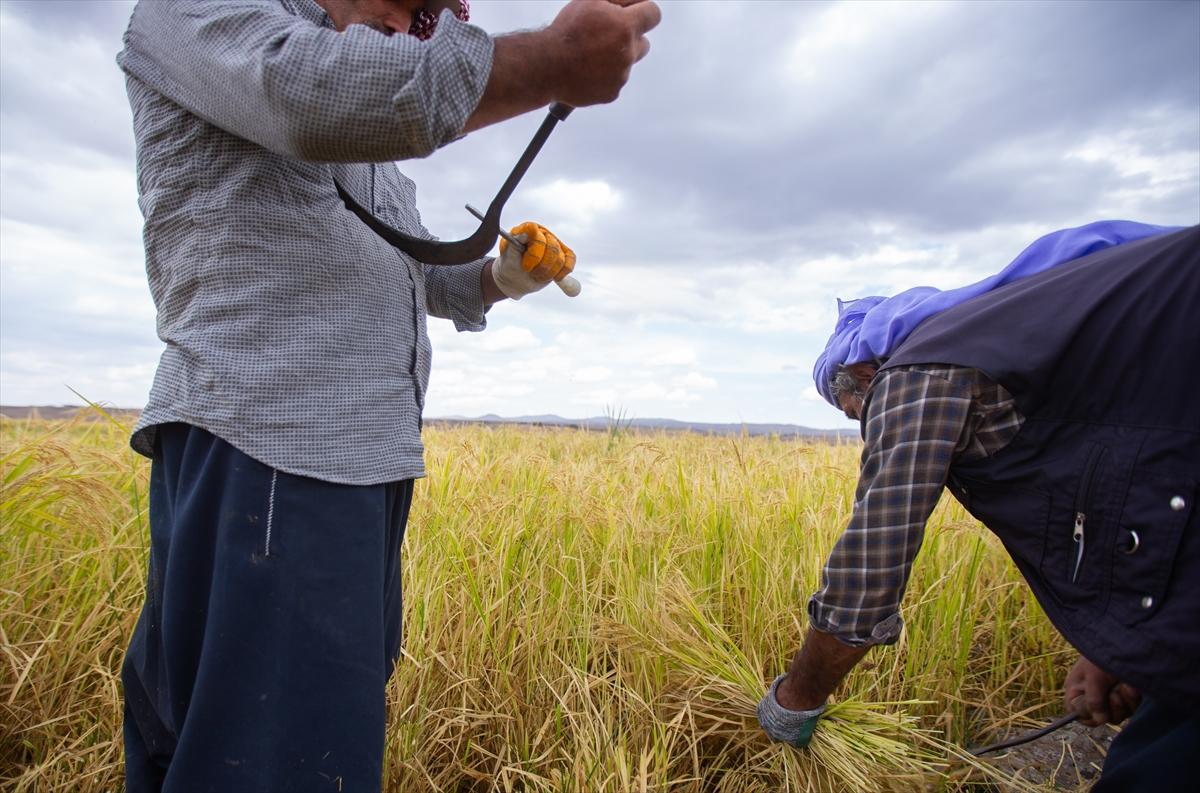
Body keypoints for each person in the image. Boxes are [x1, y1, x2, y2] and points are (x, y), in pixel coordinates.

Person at [116, 1, 660, 790]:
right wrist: (552, 59)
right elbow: (312, 95)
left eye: (443, 16)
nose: (424, 28)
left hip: (352, 466)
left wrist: (500, 278)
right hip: (276, 452)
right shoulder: (214, 16)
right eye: (415, 5)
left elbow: (404, 271)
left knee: (252, 740)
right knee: (278, 760)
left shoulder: (361, 135)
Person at [755, 221, 1199, 791]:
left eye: (853, 411)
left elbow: (867, 576)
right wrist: (1122, 647)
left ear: (867, 373)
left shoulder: (917, 370)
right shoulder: (1011, 331)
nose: (866, 426)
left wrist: (797, 699)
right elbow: (1144, 471)